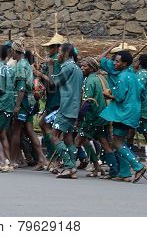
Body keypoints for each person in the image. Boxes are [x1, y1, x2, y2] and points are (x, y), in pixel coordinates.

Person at [99, 49, 147, 183]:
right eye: (114, 61)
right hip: (133, 112)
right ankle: (125, 173)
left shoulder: (122, 77)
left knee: (117, 142)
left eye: (117, 61)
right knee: (122, 142)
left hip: (123, 113)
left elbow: (119, 97)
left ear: (125, 64)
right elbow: (143, 93)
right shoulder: (134, 75)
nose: (114, 63)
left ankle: (138, 166)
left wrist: (108, 95)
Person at [76, 57, 118, 178]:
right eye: (82, 66)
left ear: (92, 68)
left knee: (78, 140)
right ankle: (102, 168)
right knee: (103, 142)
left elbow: (87, 102)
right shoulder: (101, 78)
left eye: (85, 66)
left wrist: (79, 118)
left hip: (93, 117)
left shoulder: (90, 80)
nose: (82, 68)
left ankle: (69, 166)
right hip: (103, 116)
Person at [10, 39, 47, 170]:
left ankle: (12, 161)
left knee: (16, 131)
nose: (11, 54)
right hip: (30, 101)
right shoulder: (27, 63)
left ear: (14, 51)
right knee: (30, 131)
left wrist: (17, 105)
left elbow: (21, 88)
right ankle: (42, 159)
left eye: (12, 51)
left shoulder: (20, 65)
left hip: (23, 101)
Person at [48, 44, 83, 179]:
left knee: (54, 136)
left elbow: (53, 84)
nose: (58, 55)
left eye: (59, 52)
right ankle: (72, 167)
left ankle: (68, 166)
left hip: (66, 107)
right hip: (74, 108)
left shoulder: (67, 67)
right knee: (68, 139)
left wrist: (51, 66)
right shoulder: (77, 69)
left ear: (66, 54)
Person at [33, 32, 64, 171]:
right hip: (52, 99)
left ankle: (57, 158)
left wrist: (40, 75)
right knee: (43, 124)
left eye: (51, 47)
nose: (48, 50)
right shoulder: (52, 59)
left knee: (49, 127)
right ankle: (51, 156)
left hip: (57, 99)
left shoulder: (56, 62)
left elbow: (53, 82)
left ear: (57, 48)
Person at [0, 45, 15, 160]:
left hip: (1, 105)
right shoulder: (11, 69)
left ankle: (6, 160)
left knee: (0, 133)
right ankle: (7, 159)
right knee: (3, 133)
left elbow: (0, 88)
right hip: (10, 105)